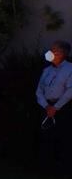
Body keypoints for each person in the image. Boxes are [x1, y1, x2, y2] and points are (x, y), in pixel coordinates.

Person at [36, 40, 72, 168]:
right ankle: (46, 166)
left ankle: (63, 167)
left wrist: (56, 107)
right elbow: (39, 89)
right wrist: (46, 105)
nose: (50, 52)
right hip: (46, 107)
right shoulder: (47, 70)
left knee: (63, 137)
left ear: (62, 53)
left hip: (62, 108)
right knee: (46, 137)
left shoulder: (69, 69)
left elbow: (70, 90)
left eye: (54, 50)